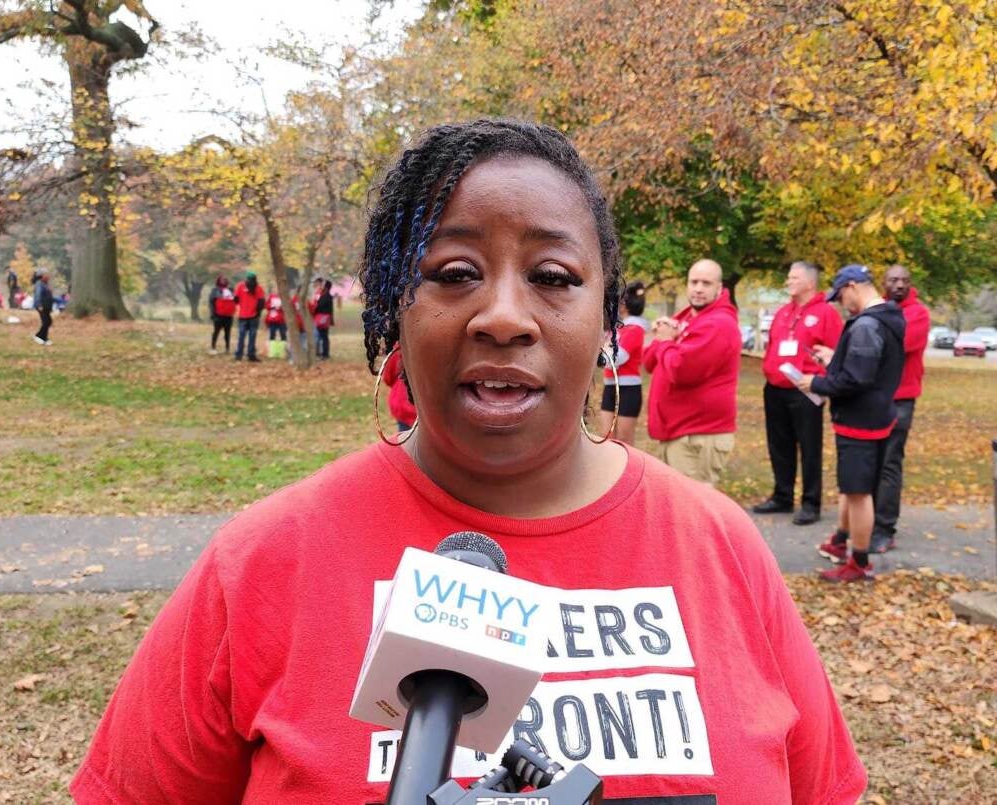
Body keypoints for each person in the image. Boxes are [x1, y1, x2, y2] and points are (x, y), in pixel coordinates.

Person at [71, 119, 865, 803]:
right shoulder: (264, 561)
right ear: (390, 304)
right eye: (454, 273)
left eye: (554, 277)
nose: (505, 316)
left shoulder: (722, 546)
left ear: (604, 313)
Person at [796, 265, 905, 583]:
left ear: (853, 286)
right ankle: (842, 539)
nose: (842, 303)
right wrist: (836, 359)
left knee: (858, 493)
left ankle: (859, 562)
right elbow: (869, 365)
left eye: (842, 295)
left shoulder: (866, 325)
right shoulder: (890, 317)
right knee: (853, 487)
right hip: (878, 414)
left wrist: (815, 384)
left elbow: (856, 379)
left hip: (860, 420)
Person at [754, 261, 842, 525]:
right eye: (788, 276)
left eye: (794, 277)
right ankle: (782, 496)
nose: (788, 281)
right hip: (775, 389)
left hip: (805, 391)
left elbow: (835, 354)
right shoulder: (782, 312)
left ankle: (810, 502)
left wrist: (822, 383)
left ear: (810, 282)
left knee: (809, 447)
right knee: (779, 445)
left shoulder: (826, 313)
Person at [642, 259, 741, 486]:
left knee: (692, 515)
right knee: (676, 509)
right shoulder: (688, 318)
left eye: (706, 283)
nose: (698, 288)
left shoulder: (718, 324)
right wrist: (664, 339)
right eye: (693, 281)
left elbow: (681, 370)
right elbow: (649, 362)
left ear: (719, 289)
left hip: (697, 436)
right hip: (678, 433)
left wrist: (666, 340)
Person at [872, 264, 930, 553]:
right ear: (884, 282)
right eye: (893, 280)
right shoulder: (879, 310)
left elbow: (895, 345)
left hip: (901, 400)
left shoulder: (917, 313)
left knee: (889, 464)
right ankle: (867, 522)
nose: (899, 285)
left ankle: (884, 529)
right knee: (871, 462)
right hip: (874, 397)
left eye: (905, 280)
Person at [598, 280, 648, 445]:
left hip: (628, 388)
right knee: (606, 435)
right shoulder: (617, 328)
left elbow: (619, 357)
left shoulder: (635, 329)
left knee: (625, 440)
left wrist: (602, 354)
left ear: (624, 305)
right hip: (610, 385)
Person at [381, 344, 417, 433]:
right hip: (430, 410)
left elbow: (388, 377)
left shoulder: (399, 344)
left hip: (405, 406)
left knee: (407, 442)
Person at [233, 271, 265, 362]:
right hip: (253, 316)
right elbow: (261, 302)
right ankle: (251, 355)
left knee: (241, 336)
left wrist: (242, 304)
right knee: (252, 336)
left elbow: (235, 299)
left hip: (243, 315)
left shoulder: (240, 286)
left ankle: (238, 355)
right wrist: (257, 312)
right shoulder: (258, 288)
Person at [208, 275, 235, 354]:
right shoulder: (215, 290)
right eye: (222, 279)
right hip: (218, 315)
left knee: (227, 332)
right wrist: (212, 313)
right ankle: (213, 347)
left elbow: (234, 301)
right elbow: (211, 303)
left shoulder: (231, 290)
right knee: (216, 331)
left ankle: (227, 348)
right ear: (218, 281)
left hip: (229, 315)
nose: (224, 281)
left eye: (225, 279)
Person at [313, 278, 334, 359]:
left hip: (322, 318)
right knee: (323, 336)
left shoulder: (325, 296)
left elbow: (319, 306)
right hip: (325, 318)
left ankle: (324, 354)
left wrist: (314, 309)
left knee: (323, 336)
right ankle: (323, 353)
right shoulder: (327, 295)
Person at [32, 270, 54, 345]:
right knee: (46, 322)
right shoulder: (39, 284)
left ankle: (44, 338)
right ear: (41, 276)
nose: (48, 277)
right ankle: (38, 336)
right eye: (46, 275)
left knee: (48, 321)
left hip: (47, 306)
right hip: (42, 306)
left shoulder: (45, 284)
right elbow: (38, 295)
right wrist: (39, 305)